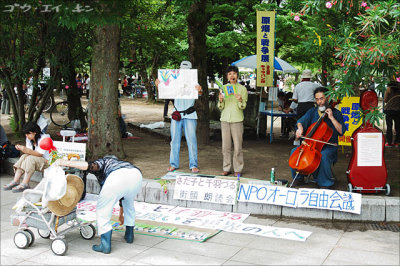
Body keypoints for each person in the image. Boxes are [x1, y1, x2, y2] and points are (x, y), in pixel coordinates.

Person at [55, 155, 143, 254]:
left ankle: (105, 245)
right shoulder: (119, 163)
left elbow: (89, 166)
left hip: (118, 177)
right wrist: (121, 215)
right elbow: (123, 196)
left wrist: (64, 163)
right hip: (136, 176)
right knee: (129, 203)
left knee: (102, 210)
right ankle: (129, 236)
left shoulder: (104, 162)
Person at [289, 87, 345, 189]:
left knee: (322, 156)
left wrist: (331, 118)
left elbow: (341, 131)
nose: (320, 102)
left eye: (322, 98)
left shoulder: (336, 113)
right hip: (311, 145)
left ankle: (325, 183)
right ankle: (298, 178)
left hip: (329, 147)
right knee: (294, 151)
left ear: (328, 98)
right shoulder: (312, 111)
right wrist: (300, 129)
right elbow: (301, 121)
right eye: (317, 99)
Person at [155, 61, 202, 173]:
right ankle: (173, 164)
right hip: (177, 114)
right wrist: (158, 86)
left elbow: (200, 93)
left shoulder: (194, 81)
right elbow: (165, 93)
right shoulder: (173, 80)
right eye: (182, 70)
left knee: (192, 140)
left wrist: (200, 90)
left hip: (190, 114)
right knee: (174, 140)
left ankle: (193, 164)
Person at [2, 122, 50, 192]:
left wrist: (25, 149)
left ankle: (25, 184)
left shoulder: (45, 138)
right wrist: (23, 149)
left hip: (47, 162)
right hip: (38, 160)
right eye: (26, 134)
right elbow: (29, 152)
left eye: (28, 134)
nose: (26, 136)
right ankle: (16, 180)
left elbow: (40, 154)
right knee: (24, 156)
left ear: (35, 132)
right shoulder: (29, 138)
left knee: (30, 158)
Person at [218, 65, 248, 177]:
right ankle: (226, 168)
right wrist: (220, 100)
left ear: (237, 75)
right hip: (225, 119)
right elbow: (221, 107)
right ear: (227, 76)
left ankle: (238, 169)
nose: (232, 76)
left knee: (237, 146)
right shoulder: (223, 88)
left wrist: (240, 100)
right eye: (230, 74)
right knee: (225, 147)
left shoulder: (242, 89)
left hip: (237, 120)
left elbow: (243, 106)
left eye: (234, 73)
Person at [383, 81, 400, 147]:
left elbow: (385, 100)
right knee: (398, 126)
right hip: (398, 110)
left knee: (389, 127)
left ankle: (389, 142)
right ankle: (397, 142)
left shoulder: (388, 89)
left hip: (389, 110)